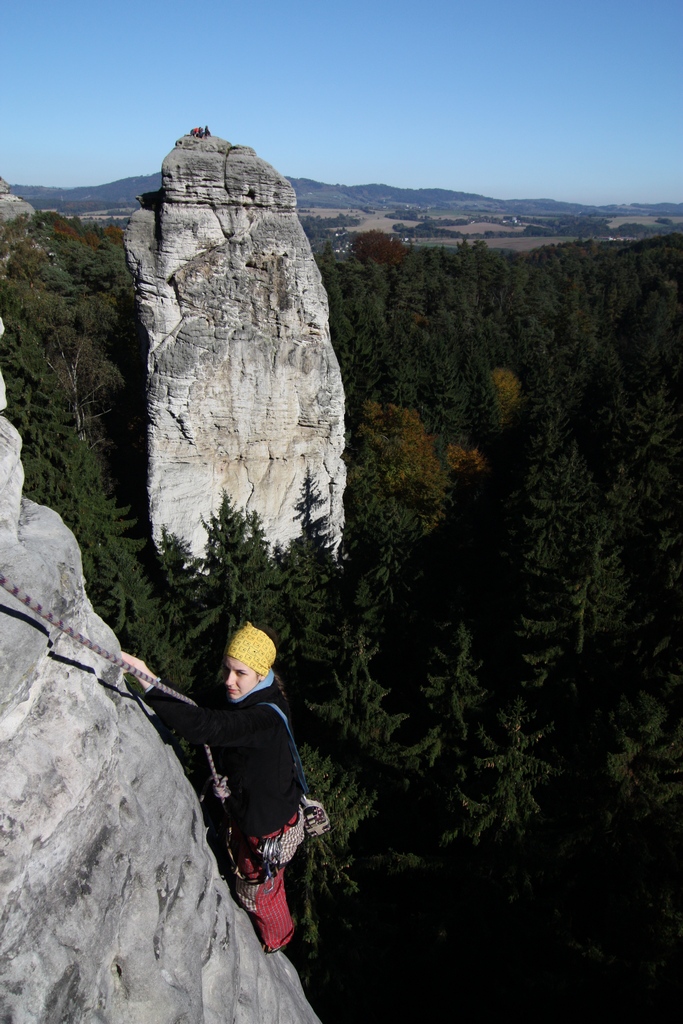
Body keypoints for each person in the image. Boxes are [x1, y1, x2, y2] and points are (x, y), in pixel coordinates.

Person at [121, 622, 305, 953]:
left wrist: (145, 677)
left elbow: (204, 726)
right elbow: (192, 705)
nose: (228, 681)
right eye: (226, 668)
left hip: (263, 825)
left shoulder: (264, 717)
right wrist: (150, 681)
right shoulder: (240, 693)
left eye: (239, 673)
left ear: (260, 673)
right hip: (244, 808)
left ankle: (279, 938)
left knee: (260, 891)